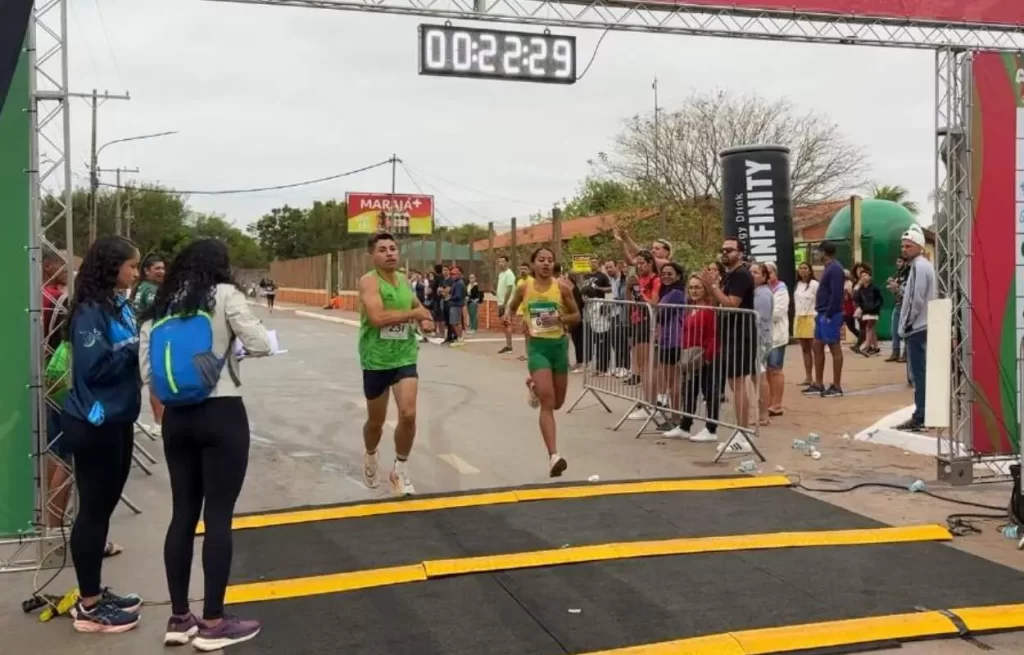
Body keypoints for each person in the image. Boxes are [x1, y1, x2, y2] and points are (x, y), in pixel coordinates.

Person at [140, 238, 272, 651]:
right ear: (219, 265)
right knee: (217, 517)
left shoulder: (159, 304)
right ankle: (214, 620)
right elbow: (261, 344)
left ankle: (180, 618)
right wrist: (227, 352)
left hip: (177, 418)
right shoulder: (226, 296)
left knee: (182, 514)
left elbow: (147, 371)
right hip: (222, 414)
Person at [62, 236, 143, 634]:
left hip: (119, 418)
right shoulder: (90, 311)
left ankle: (94, 591)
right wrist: (136, 349)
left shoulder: (119, 305)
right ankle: (89, 606)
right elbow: (94, 368)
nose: (136, 273)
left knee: (103, 508)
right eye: (131, 266)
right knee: (92, 512)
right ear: (111, 266)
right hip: (95, 422)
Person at [358, 233, 434, 495]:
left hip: (405, 355)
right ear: (372, 255)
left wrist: (425, 319)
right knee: (375, 423)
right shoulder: (369, 282)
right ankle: (370, 453)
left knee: (408, 414)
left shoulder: (403, 280)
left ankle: (399, 470)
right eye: (382, 249)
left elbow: (417, 306)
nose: (389, 253)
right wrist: (413, 314)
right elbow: (378, 318)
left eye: (393, 248)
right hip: (376, 359)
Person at [505, 247, 580, 476]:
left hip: (558, 346)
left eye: (549, 260)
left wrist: (561, 318)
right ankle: (553, 456)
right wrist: (509, 316)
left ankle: (533, 386)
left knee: (557, 403)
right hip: (537, 348)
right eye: (541, 260)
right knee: (548, 402)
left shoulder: (563, 288)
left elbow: (577, 317)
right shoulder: (524, 286)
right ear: (533, 264)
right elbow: (512, 304)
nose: (546, 264)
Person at [699, 237, 756, 452]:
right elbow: (718, 303)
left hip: (740, 334)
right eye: (722, 249)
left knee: (739, 385)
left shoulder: (741, 275)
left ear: (740, 253)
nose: (725, 253)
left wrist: (713, 286)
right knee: (735, 386)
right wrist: (711, 286)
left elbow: (732, 304)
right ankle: (740, 432)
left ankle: (744, 435)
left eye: (730, 250)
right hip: (729, 334)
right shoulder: (729, 275)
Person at [894, 225, 936, 431]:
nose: (904, 249)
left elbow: (915, 300)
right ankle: (924, 413)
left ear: (919, 246)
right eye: (903, 246)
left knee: (918, 374)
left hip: (917, 327)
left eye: (908, 245)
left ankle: (921, 415)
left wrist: (906, 324)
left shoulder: (919, 266)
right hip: (922, 325)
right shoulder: (923, 265)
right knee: (921, 373)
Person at [806, 241, 846, 397]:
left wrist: (829, 315)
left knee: (834, 347)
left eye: (818, 251)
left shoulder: (835, 269)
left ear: (824, 252)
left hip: (830, 314)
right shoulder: (829, 268)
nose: (816, 254)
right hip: (821, 313)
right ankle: (818, 384)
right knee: (817, 346)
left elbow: (837, 294)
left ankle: (836, 386)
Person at [133, 254, 166, 436]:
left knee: (138, 382)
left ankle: (134, 419)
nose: (161, 271)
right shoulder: (152, 290)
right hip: (149, 340)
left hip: (137, 338)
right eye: (157, 268)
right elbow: (159, 312)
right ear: (146, 271)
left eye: (162, 268)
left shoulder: (140, 288)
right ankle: (159, 423)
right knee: (154, 381)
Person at [654, 262, 687, 437]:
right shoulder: (668, 292)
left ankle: (676, 417)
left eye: (670, 273)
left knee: (673, 381)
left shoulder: (675, 293)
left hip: (674, 339)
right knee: (669, 380)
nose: (666, 276)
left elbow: (660, 313)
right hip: (667, 339)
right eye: (663, 273)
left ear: (678, 276)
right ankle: (675, 416)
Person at [764, 262, 790, 416]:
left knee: (775, 369)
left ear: (775, 273)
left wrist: (760, 315)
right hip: (766, 335)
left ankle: (777, 404)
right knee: (767, 370)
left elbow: (778, 312)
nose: (768, 276)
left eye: (770, 272)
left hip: (777, 335)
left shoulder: (781, 290)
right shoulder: (763, 290)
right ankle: (770, 401)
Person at [750, 263, 774, 426]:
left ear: (764, 276)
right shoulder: (756, 292)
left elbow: (762, 318)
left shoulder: (763, 294)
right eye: (750, 272)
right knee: (755, 375)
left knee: (760, 374)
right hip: (757, 337)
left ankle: (764, 414)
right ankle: (761, 412)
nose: (752, 275)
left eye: (756, 272)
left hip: (760, 338)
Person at [792, 262, 819, 386]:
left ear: (810, 270)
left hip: (811, 317)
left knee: (815, 348)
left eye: (805, 268)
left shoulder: (814, 284)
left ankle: (818, 377)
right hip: (799, 317)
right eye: (800, 268)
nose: (802, 271)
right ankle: (808, 376)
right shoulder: (797, 284)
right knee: (804, 349)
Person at [853, 266, 883, 356]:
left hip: (873, 311)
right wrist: (860, 307)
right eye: (862, 276)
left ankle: (866, 346)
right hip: (865, 311)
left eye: (866, 275)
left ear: (869, 277)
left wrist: (875, 307)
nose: (864, 277)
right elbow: (855, 298)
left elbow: (880, 299)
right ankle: (876, 347)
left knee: (868, 327)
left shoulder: (874, 288)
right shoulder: (860, 289)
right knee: (871, 328)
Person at [494, 256, 517, 354]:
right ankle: (508, 344)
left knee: (507, 323)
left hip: (506, 303)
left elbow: (509, 289)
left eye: (503, 261)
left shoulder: (509, 274)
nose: (501, 264)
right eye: (499, 262)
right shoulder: (501, 274)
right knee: (504, 323)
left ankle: (509, 346)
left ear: (507, 262)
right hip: (500, 302)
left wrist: (505, 303)